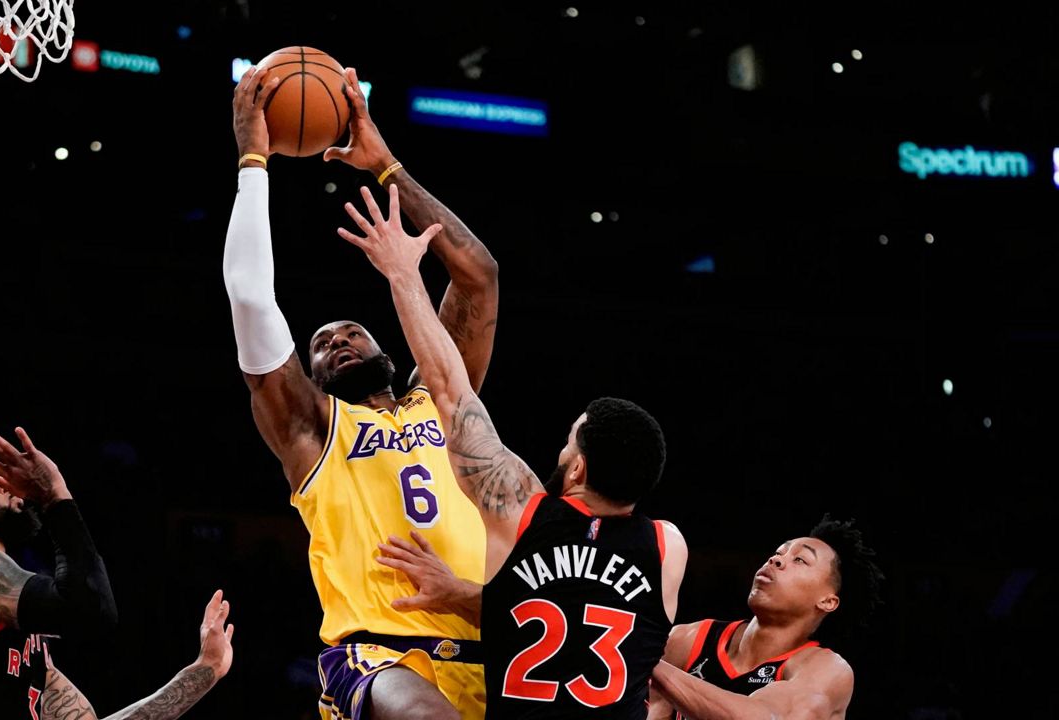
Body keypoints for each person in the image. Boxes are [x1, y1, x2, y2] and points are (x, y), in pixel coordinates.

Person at [337, 183, 687, 719]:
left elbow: (450, 391)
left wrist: (404, 275)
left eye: (570, 438)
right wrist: (461, 593)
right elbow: (575, 612)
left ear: (580, 466)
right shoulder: (668, 547)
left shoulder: (520, 510)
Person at [224, 63, 501, 720]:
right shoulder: (311, 431)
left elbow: (479, 277)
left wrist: (386, 166)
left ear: (388, 351)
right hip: (377, 658)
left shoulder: (443, 396)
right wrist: (254, 158)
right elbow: (250, 298)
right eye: (323, 343)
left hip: (488, 648)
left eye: (353, 332)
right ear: (312, 377)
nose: (340, 341)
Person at [0, 427, 233, 719]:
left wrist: (204, 670)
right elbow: (91, 607)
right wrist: (55, 494)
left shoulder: (25, 640)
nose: (3, 481)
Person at [646, 516, 883, 720]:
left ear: (827, 601)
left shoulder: (826, 671)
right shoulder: (686, 640)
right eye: (778, 552)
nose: (776, 560)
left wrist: (648, 660)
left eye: (800, 560)